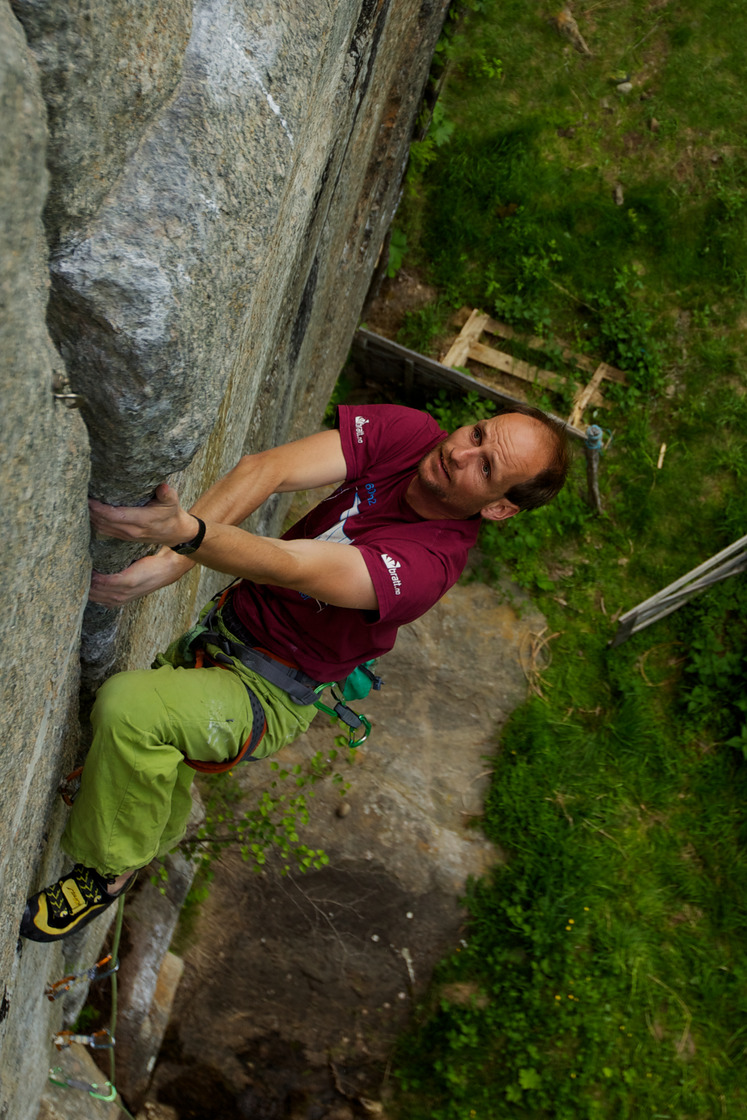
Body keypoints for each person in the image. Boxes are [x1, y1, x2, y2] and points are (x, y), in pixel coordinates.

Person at [20, 401, 569, 942]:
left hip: (270, 690)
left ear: (499, 508)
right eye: (477, 432)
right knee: (160, 745)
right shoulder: (411, 434)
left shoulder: (428, 567)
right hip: (229, 629)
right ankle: (142, 816)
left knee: (128, 710)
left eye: (486, 467)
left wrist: (189, 533)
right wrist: (172, 559)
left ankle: (108, 870)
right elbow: (267, 469)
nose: (458, 451)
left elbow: (296, 565)